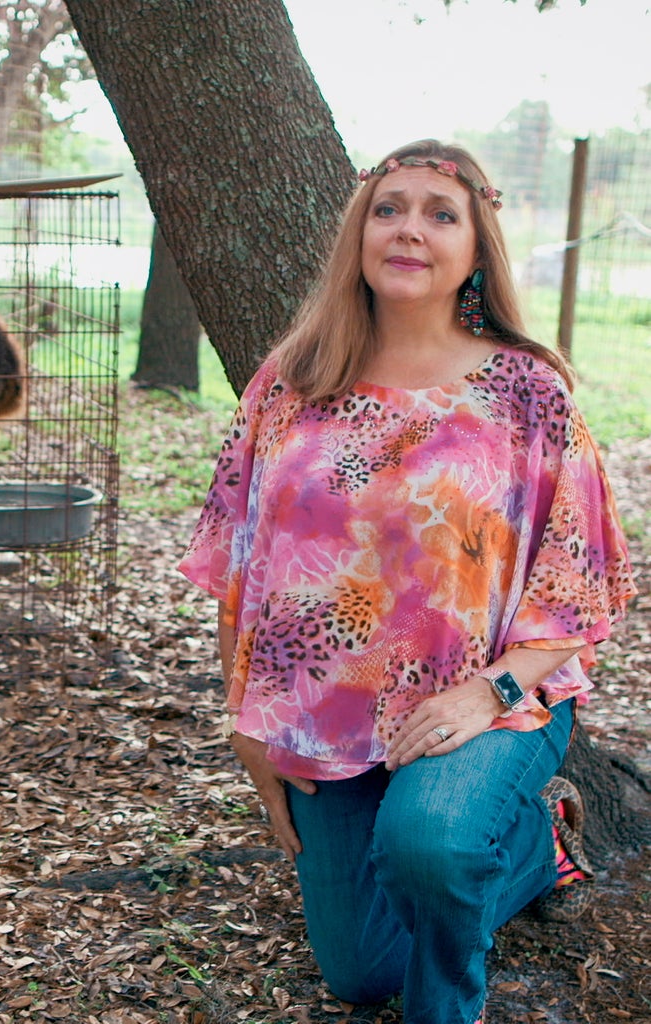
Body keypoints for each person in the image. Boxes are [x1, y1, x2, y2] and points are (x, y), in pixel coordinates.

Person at [178, 139, 636, 1024]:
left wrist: (487, 692)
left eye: (439, 213)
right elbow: (239, 561)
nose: (408, 230)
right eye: (388, 208)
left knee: (428, 842)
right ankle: (535, 855)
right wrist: (244, 720)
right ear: (358, 234)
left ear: (475, 247)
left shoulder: (525, 391)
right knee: (358, 970)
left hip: (492, 697)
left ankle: (447, 997)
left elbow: (576, 585)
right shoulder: (293, 382)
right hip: (323, 708)